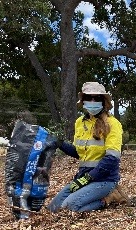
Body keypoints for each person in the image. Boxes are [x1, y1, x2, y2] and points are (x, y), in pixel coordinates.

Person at [47, 81, 127, 213]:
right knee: (53, 209)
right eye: (89, 97)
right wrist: (59, 143)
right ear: (83, 101)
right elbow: (78, 152)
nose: (93, 100)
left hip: (104, 180)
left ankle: (108, 198)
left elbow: (112, 159)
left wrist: (88, 178)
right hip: (82, 178)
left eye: (97, 98)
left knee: (68, 207)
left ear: (103, 101)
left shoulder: (113, 124)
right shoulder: (79, 122)